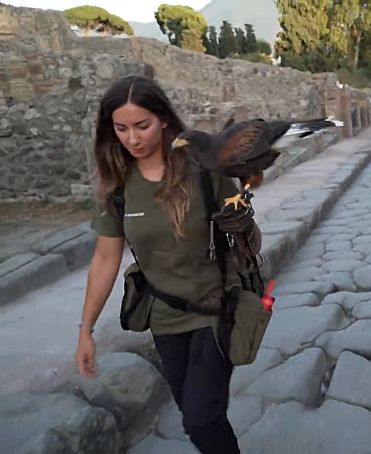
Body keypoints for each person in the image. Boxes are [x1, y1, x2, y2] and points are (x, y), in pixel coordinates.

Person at [75, 75, 256, 454]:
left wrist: (242, 226)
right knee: (198, 419)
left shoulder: (205, 169)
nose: (132, 139)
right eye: (121, 128)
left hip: (216, 311)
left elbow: (251, 245)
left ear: (164, 121)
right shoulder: (117, 187)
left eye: (142, 126)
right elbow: (106, 258)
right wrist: (86, 329)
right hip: (164, 319)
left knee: (200, 419)